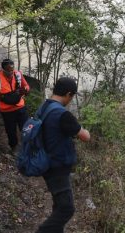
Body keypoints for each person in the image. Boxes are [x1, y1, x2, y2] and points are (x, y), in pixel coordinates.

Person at [36, 77, 90, 233]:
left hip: (47, 162)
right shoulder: (62, 114)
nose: (71, 100)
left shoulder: (44, 107)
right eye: (71, 97)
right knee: (66, 209)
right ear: (68, 94)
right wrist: (85, 130)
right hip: (57, 166)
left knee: (58, 205)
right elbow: (85, 137)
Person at [0, 58, 30, 151]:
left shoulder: (18, 74)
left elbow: (26, 85)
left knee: (26, 128)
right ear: (3, 69)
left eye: (12, 69)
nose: (10, 72)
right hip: (7, 110)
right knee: (11, 131)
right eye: (8, 70)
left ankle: (29, 147)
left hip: (20, 107)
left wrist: (26, 89)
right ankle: (14, 148)